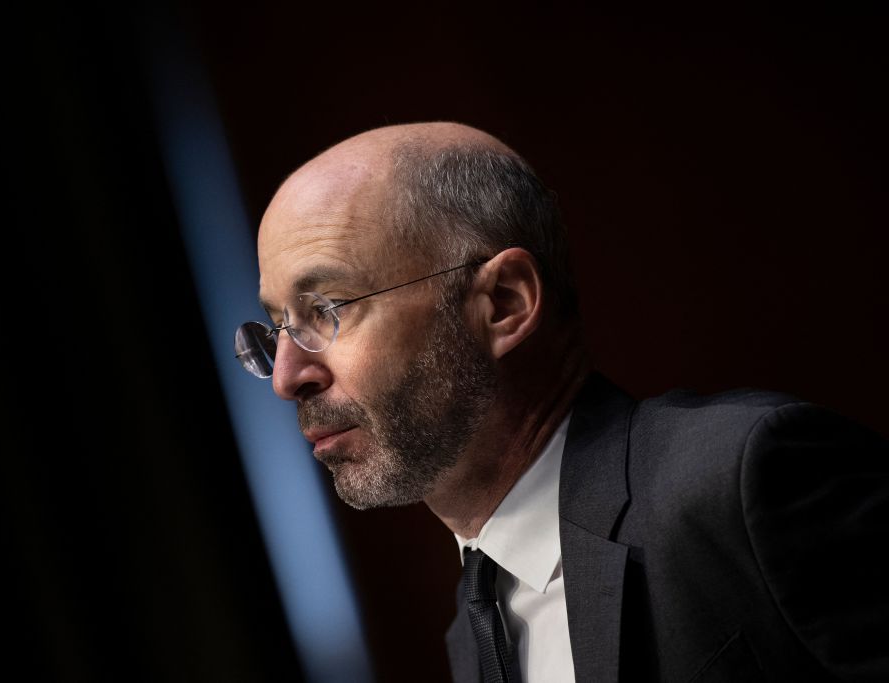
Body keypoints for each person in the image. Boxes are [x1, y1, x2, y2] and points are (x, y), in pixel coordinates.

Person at [233, 122, 888, 682]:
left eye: (325, 308)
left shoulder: (743, 480)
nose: (288, 374)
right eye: (277, 327)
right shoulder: (472, 628)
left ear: (504, 304)